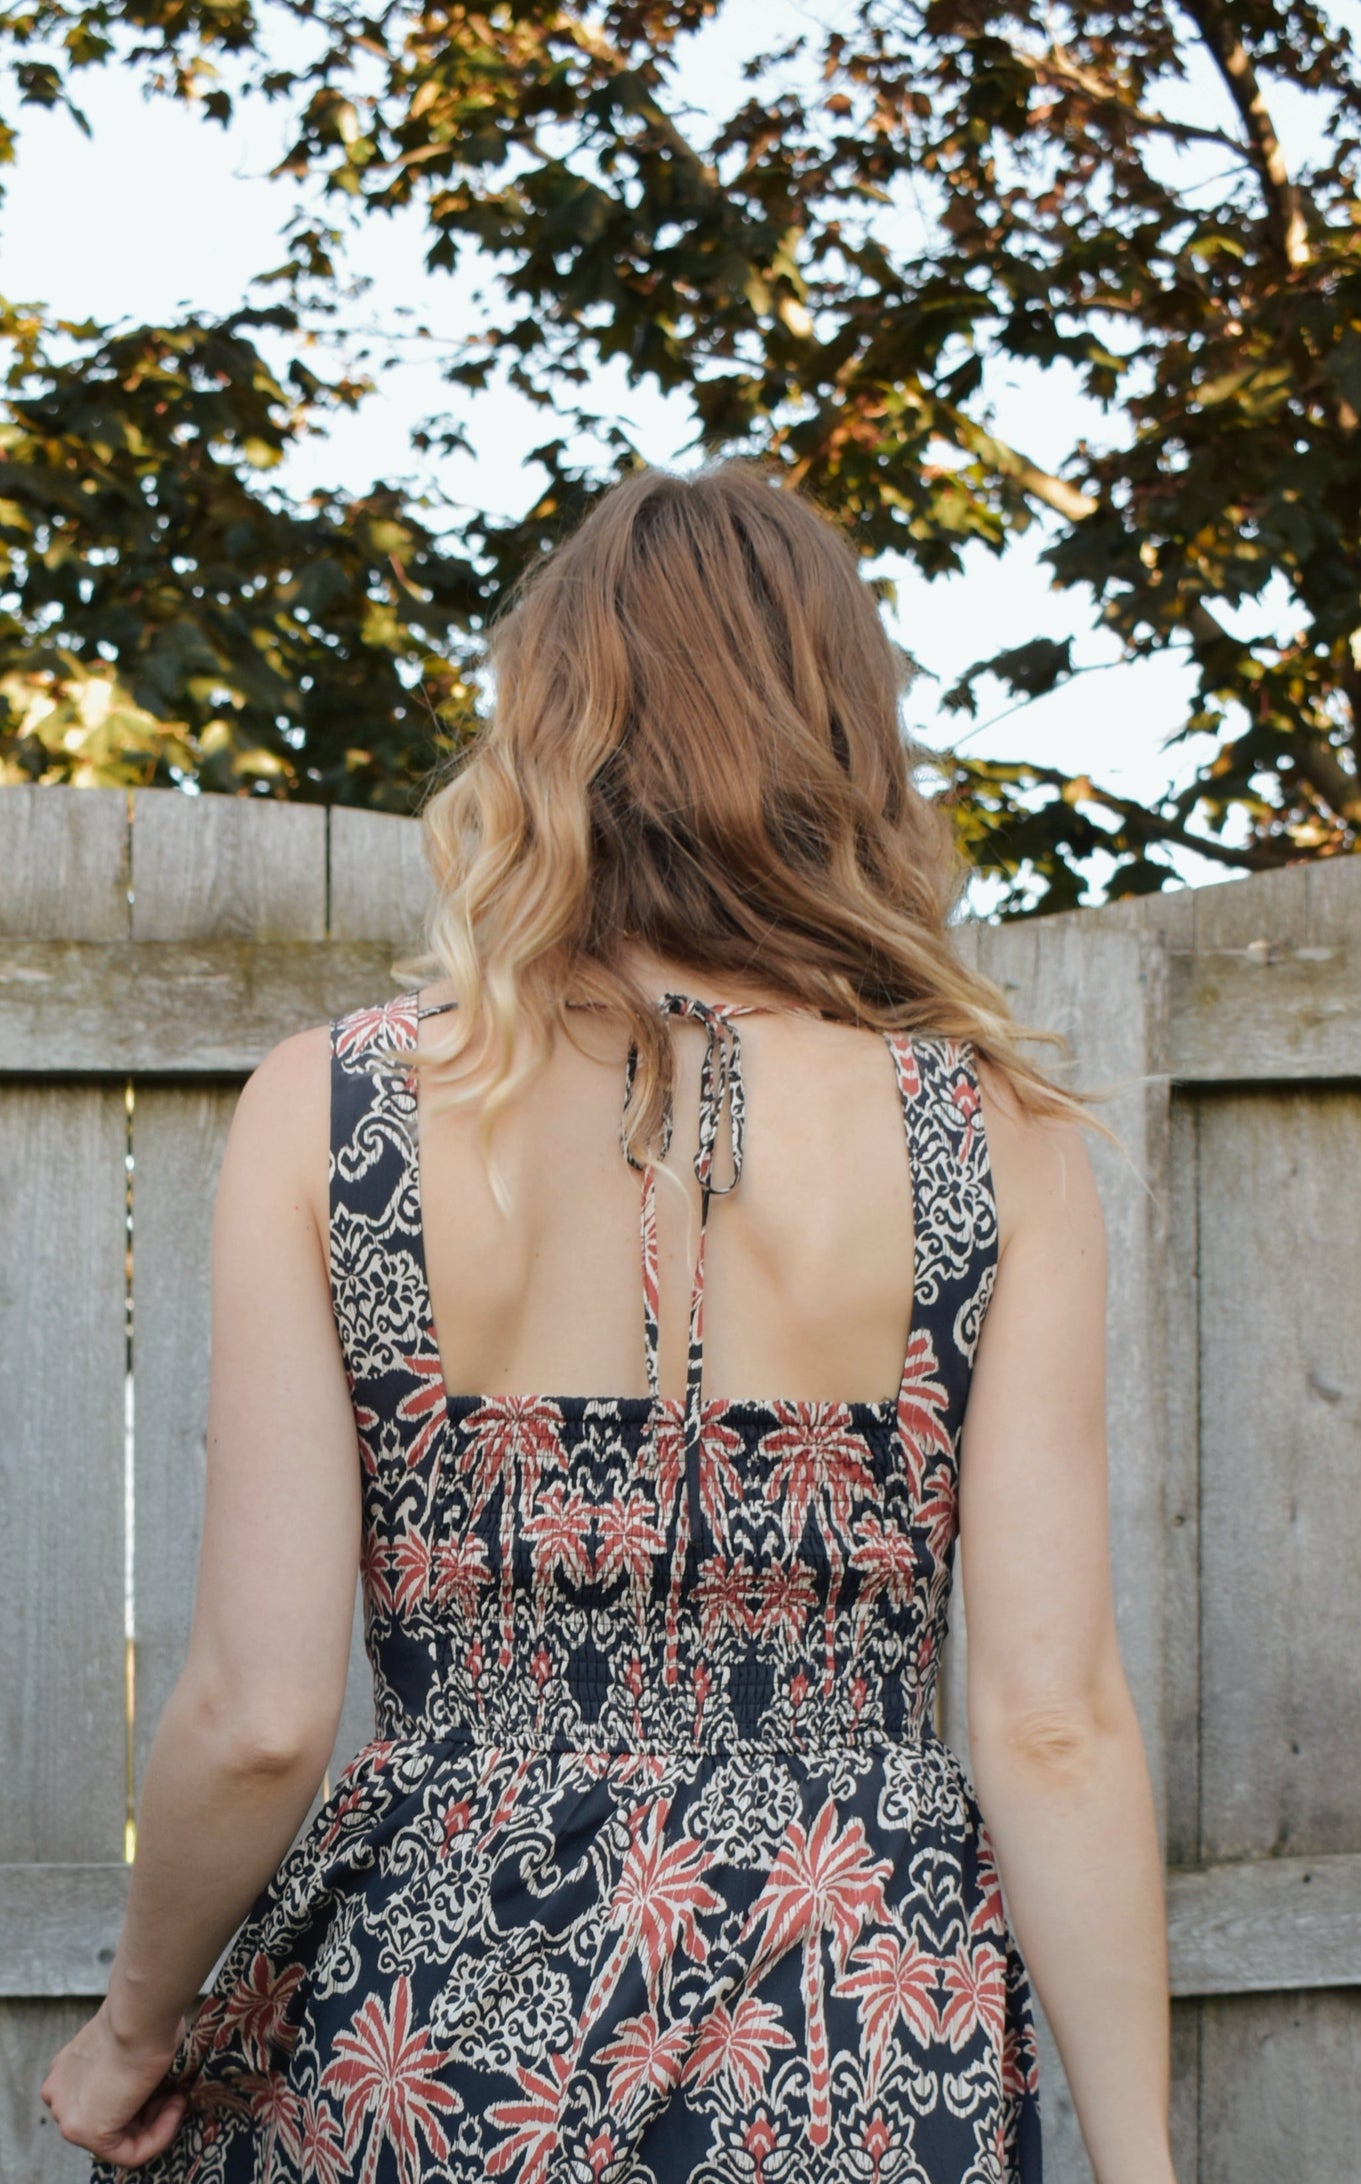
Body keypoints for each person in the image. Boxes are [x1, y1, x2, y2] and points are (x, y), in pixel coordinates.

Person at [43, 461, 1175, 2183]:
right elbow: (1049, 1720)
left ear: (547, 723)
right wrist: (1147, 2165)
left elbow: (261, 1715)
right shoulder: (989, 1145)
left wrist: (134, 2032)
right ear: (842, 743)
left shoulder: (335, 1115)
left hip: (437, 2044)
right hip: (856, 2040)